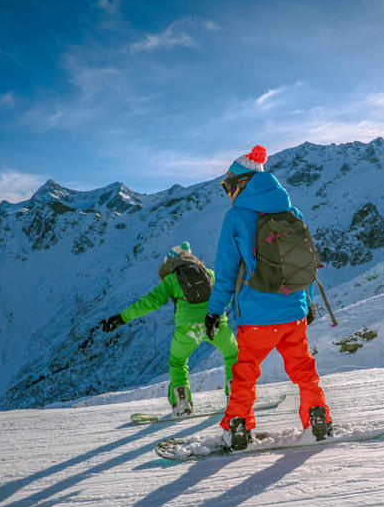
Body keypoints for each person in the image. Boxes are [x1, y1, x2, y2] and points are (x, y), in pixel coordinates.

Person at [204, 145, 332, 451]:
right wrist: (307, 301)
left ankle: (238, 426)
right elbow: (305, 263)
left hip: (257, 315)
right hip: (294, 310)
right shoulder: (292, 212)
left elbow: (225, 272)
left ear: (243, 182)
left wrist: (214, 312)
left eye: (229, 185)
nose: (229, 192)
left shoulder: (237, 217)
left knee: (245, 372)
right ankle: (318, 417)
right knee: (303, 368)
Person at [100, 242, 238, 416]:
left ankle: (182, 401)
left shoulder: (171, 280)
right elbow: (228, 295)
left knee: (178, 362)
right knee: (232, 354)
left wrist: (121, 318)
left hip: (187, 329)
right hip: (217, 324)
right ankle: (236, 392)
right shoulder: (209, 273)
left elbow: (149, 302)